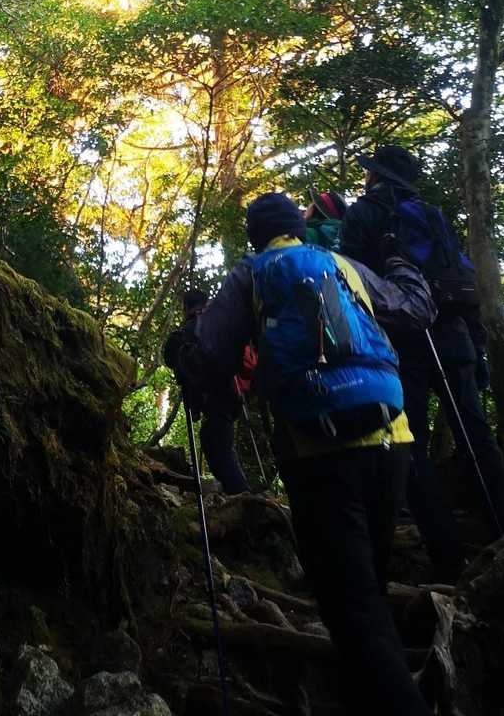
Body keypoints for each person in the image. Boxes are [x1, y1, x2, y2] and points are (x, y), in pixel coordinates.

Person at [181, 192, 435, 716]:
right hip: (392, 437)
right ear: (298, 227)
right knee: (368, 588)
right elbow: (415, 309)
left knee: (350, 605)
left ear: (255, 235)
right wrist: (399, 260)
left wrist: (183, 350)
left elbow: (213, 354)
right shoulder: (343, 264)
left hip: (318, 449)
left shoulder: (252, 272)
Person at [341, 145, 504, 576]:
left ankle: (446, 555)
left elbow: (353, 284)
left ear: (375, 176)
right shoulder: (431, 215)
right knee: (475, 432)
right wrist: (477, 347)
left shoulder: (363, 214)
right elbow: (459, 275)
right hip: (454, 335)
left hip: (402, 343)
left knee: (411, 444)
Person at [164, 290, 251, 494]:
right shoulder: (221, 326)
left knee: (217, 446)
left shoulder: (187, 332)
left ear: (186, 307)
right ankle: (241, 496)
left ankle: (245, 499)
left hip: (215, 398)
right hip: (235, 394)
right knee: (217, 443)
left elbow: (170, 356)